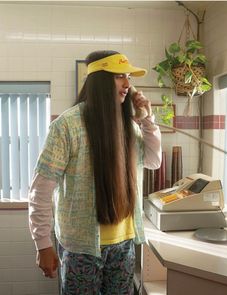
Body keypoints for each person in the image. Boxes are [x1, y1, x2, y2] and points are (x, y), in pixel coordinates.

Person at [28, 50, 162, 295]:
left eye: (128, 77)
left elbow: (153, 161)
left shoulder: (130, 126)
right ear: (100, 80)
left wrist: (148, 120)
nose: (128, 84)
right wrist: (42, 244)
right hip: (81, 247)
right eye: (120, 76)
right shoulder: (67, 126)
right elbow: (41, 190)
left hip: (124, 243)